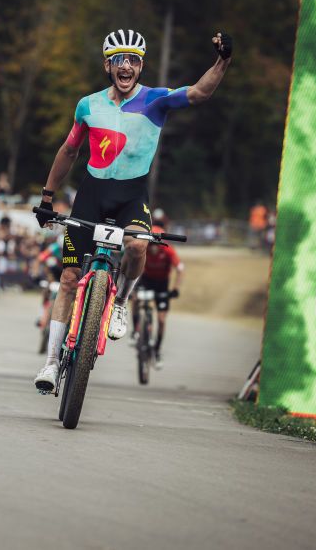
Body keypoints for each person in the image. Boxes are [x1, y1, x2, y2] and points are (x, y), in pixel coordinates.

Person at [32, 28, 232, 392]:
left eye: (133, 61)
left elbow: (200, 93)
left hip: (131, 196)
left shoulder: (156, 100)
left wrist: (223, 60)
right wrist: (47, 199)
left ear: (141, 67)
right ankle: (49, 364)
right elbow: (68, 151)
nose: (126, 66)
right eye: (119, 60)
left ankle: (121, 300)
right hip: (90, 196)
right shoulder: (88, 105)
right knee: (67, 278)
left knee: (138, 244)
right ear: (108, 65)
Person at [133, 221, 183, 369]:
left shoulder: (168, 251)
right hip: (146, 280)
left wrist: (175, 288)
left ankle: (157, 350)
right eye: (151, 242)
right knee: (135, 299)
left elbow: (180, 269)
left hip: (162, 283)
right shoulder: (144, 249)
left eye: (156, 243)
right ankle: (135, 330)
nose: (153, 247)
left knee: (161, 320)